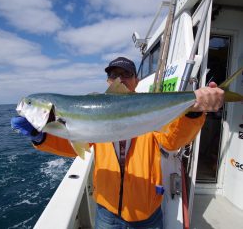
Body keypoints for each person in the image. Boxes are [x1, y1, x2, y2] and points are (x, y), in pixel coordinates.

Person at [11, 57, 224, 229]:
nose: (120, 79)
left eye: (126, 74)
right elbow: (74, 144)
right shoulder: (94, 107)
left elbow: (172, 141)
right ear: (107, 81)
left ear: (136, 80)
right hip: (108, 212)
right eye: (114, 75)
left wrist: (193, 114)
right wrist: (41, 137)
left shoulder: (150, 111)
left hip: (147, 213)